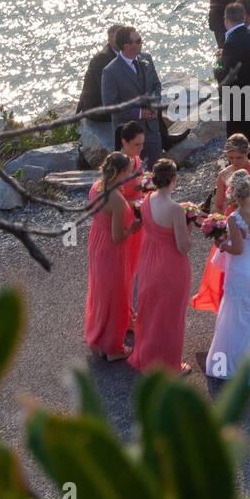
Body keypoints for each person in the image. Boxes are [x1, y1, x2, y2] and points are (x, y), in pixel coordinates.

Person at [191, 133, 250, 313]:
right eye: (230, 158)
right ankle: (230, 309)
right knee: (229, 271)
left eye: (239, 157)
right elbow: (218, 205)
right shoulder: (224, 174)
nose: (235, 162)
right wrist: (216, 221)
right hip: (232, 225)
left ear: (247, 152)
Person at [206, 169, 250, 384]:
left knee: (237, 315)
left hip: (243, 269)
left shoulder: (234, 218)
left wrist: (221, 244)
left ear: (233, 193)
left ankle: (235, 363)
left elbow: (237, 249)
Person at [128, 158, 194, 376]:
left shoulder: (146, 199)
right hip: (170, 266)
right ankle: (170, 367)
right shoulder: (176, 210)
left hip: (148, 263)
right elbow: (183, 247)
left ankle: (148, 359)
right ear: (173, 179)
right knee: (171, 318)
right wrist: (189, 224)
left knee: (151, 314)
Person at [85, 152, 140, 361]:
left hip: (97, 240)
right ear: (120, 172)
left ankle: (99, 338)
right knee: (116, 293)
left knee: (102, 291)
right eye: (129, 171)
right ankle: (113, 348)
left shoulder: (96, 186)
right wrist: (133, 228)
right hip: (111, 248)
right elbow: (118, 237)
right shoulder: (116, 199)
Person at [100, 25, 163, 166]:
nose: (141, 43)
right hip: (129, 135)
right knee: (131, 174)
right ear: (126, 45)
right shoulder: (110, 71)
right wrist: (140, 113)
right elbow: (110, 106)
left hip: (151, 130)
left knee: (156, 171)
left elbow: (156, 85)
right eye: (138, 41)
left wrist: (154, 103)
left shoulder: (146, 59)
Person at [217, 1, 250, 162]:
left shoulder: (231, 42)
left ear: (226, 20)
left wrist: (218, 65)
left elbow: (228, 75)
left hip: (239, 95)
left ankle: (239, 167)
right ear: (244, 18)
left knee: (236, 135)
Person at [77, 25, 123, 153]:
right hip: (97, 106)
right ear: (110, 40)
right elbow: (106, 90)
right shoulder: (102, 58)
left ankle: (163, 139)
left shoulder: (124, 54)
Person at [117, 120, 148, 277]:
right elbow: (113, 198)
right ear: (124, 142)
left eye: (142, 144)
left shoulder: (136, 158)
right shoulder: (117, 166)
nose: (141, 148)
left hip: (138, 212)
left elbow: (137, 184)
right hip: (125, 215)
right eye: (137, 144)